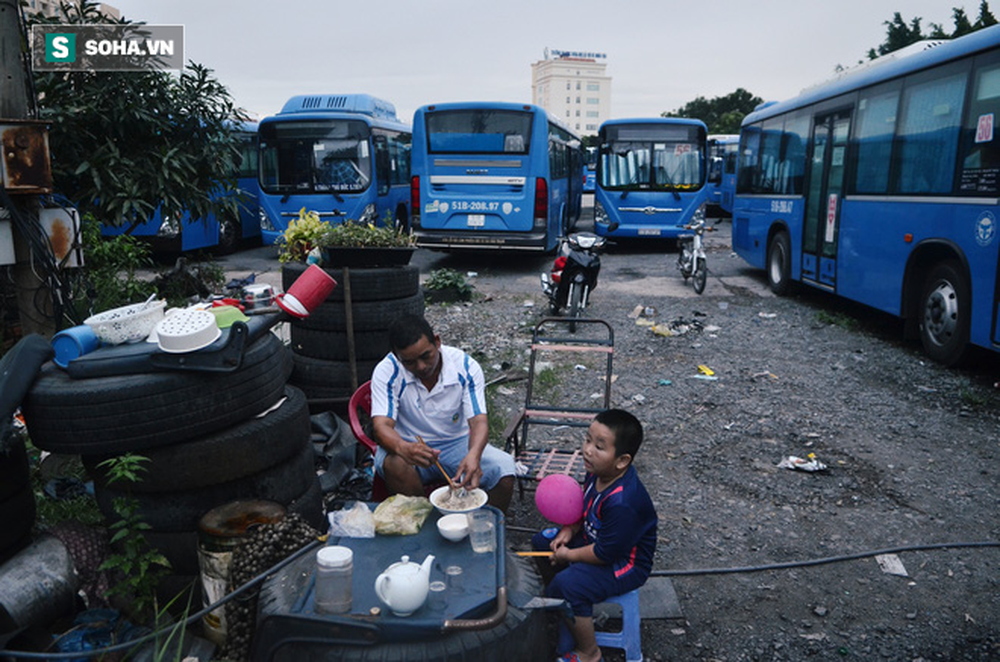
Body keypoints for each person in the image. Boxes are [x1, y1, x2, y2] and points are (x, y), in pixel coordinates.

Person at [531, 409, 658, 662]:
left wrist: (569, 554)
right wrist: (569, 529)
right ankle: (567, 607)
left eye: (599, 447)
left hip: (624, 564)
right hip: (596, 542)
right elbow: (584, 508)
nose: (588, 450)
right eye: (588, 440)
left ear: (622, 461)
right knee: (542, 543)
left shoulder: (623, 501)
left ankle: (589, 652)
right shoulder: (597, 471)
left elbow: (604, 553)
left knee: (567, 585)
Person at [370, 313, 515, 512]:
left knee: (504, 470)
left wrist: (473, 454)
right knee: (395, 464)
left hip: (456, 443)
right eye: (409, 363)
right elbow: (381, 427)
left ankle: (481, 527)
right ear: (397, 357)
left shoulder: (465, 366)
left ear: (437, 342)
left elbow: (478, 421)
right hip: (409, 444)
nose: (421, 367)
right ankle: (425, 529)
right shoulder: (387, 371)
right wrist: (403, 447)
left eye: (425, 356)